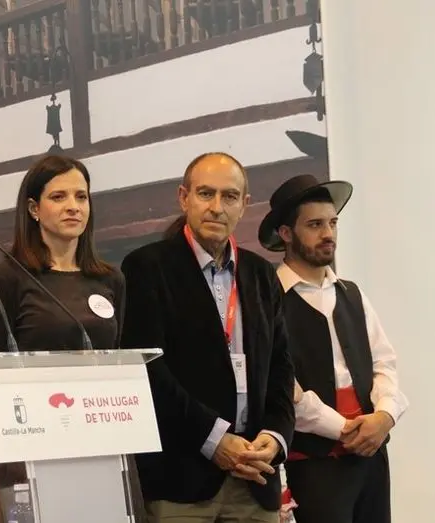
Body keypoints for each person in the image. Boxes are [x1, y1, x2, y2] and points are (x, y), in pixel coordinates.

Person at [120, 152, 295, 523]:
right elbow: (149, 370)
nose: (217, 207)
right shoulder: (147, 267)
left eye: (229, 196)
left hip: (254, 474)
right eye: (205, 194)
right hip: (183, 480)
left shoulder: (262, 275)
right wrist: (214, 439)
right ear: (184, 198)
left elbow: (280, 368)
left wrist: (276, 437)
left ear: (244, 204)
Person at [258, 174, 409, 523]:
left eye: (333, 223)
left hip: (371, 457)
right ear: (286, 233)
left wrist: (384, 417)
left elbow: (384, 363)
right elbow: (282, 388)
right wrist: (343, 428)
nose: (328, 233)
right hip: (313, 464)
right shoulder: (268, 300)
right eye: (315, 225)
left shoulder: (351, 293)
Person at [0, 154, 125, 356]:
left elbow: (122, 355)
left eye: (81, 197)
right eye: (58, 197)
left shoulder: (110, 279)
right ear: (33, 209)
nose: (73, 207)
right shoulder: (7, 279)